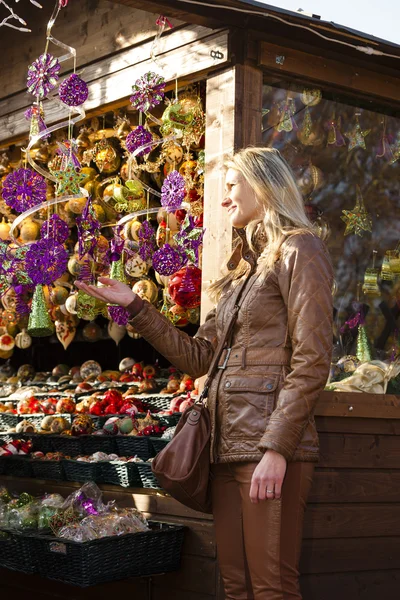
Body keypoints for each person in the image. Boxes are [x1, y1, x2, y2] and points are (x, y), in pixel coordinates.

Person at [76, 147, 333, 600]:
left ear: (263, 185)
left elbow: (312, 358)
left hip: (268, 448)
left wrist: (277, 448)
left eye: (231, 186)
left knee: (272, 587)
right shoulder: (239, 272)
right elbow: (199, 359)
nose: (224, 199)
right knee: (234, 585)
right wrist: (136, 308)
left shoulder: (299, 248)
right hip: (222, 445)